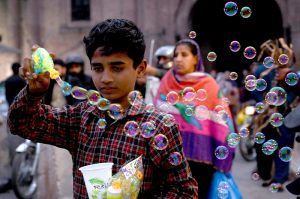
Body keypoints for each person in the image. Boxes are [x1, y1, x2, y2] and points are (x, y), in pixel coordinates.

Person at [7, 18, 198, 198]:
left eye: (117, 67)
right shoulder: (81, 117)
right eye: (98, 68)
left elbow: (184, 190)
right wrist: (34, 93)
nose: (106, 78)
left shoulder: (159, 125)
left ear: (140, 68)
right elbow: (22, 124)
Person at [154, 39, 236, 198]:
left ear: (196, 59)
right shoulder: (166, 81)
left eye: (184, 54)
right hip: (169, 158)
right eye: (176, 55)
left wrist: (225, 155)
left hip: (201, 160)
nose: (178, 59)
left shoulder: (209, 84)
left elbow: (223, 122)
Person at [0, 62, 27, 193]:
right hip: (22, 115)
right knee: (21, 146)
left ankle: (14, 176)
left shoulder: (8, 81)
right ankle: (19, 175)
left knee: (12, 148)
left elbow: (6, 97)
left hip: (10, 115)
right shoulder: (22, 81)